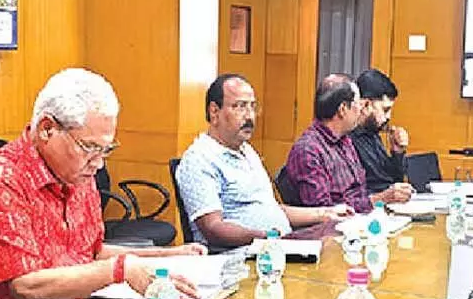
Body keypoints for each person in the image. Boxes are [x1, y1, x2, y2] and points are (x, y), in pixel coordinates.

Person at [0, 68, 206, 299]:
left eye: (106, 150)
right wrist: (120, 270)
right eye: (89, 147)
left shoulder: (79, 176)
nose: (98, 163)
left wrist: (169, 256)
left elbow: (93, 253)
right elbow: (25, 285)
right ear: (47, 129)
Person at [176, 74, 351, 248]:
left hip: (275, 247)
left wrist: (325, 214)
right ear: (214, 111)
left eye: (252, 107)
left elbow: (271, 209)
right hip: (239, 256)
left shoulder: (247, 151)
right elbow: (213, 228)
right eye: (240, 107)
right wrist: (266, 237)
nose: (250, 116)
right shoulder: (199, 160)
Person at [284, 74, 410, 213]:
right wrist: (379, 199)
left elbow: (360, 193)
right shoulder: (309, 151)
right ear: (343, 109)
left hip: (361, 221)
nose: (361, 111)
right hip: (333, 231)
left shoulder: (345, 141)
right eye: (358, 105)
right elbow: (323, 213)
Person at [350, 68, 414, 199]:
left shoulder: (373, 134)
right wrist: (385, 196)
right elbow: (357, 193)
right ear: (366, 105)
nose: (389, 117)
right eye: (385, 110)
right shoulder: (348, 139)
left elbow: (393, 180)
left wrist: (397, 152)